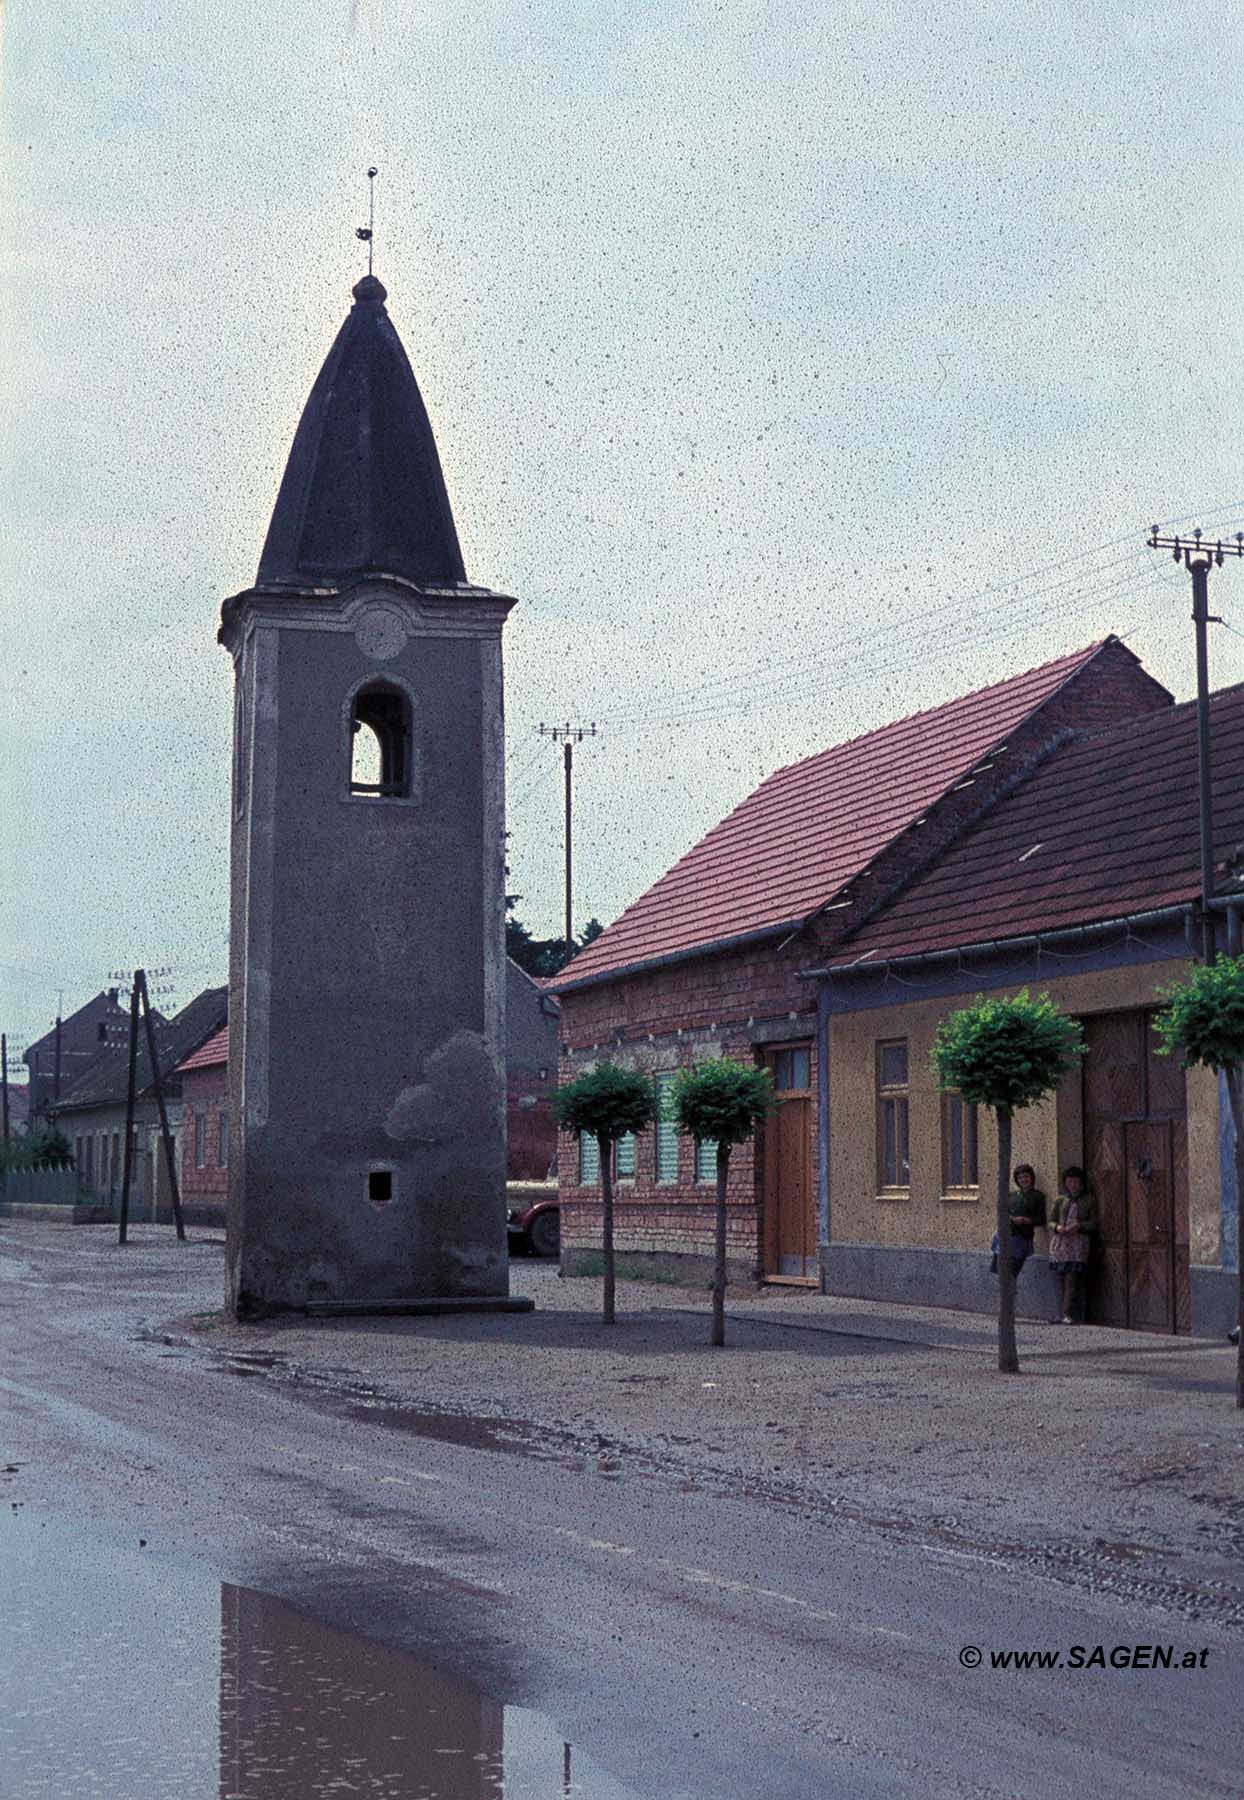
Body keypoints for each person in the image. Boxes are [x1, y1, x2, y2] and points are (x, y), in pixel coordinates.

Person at [1048, 1165, 1098, 1324]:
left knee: (1072, 1279)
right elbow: (1050, 1221)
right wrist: (1057, 1227)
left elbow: (1094, 1223)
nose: (1073, 1185)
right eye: (1070, 1181)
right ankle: (1059, 1312)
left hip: (1078, 1243)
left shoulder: (1089, 1200)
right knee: (1059, 1279)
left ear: (1082, 1183)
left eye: (1076, 1181)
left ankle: (1067, 1313)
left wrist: (1080, 1226)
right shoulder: (1060, 1200)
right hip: (1061, 1243)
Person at [990, 1163, 1047, 1280]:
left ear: (1032, 1177)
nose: (1023, 1180)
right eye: (1020, 1178)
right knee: (1000, 1272)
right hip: (1005, 1236)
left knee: (1012, 1273)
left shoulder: (1038, 1196)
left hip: (1022, 1239)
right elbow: (1002, 1213)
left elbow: (1041, 1219)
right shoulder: (1011, 1196)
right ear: (1016, 1180)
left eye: (1026, 1176)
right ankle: (1006, 1297)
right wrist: (1011, 1219)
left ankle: (1011, 1295)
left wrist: (1027, 1220)